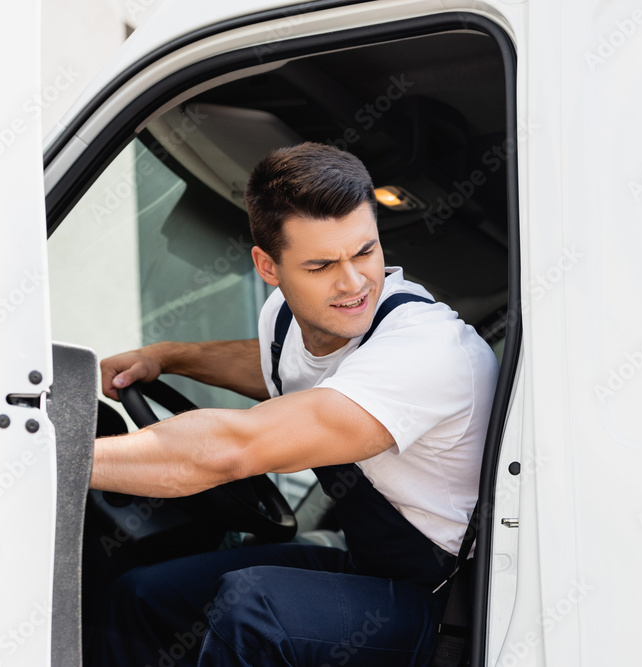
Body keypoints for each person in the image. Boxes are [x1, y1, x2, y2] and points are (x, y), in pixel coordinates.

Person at [90, 142, 499, 666]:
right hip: (375, 572)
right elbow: (280, 365)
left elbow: (233, 449)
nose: (353, 283)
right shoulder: (283, 317)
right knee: (146, 597)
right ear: (268, 266)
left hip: (452, 609)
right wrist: (169, 357)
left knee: (255, 611)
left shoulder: (427, 349)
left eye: (365, 252)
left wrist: (62, 460)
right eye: (322, 265)